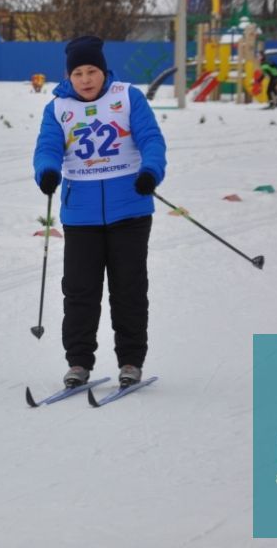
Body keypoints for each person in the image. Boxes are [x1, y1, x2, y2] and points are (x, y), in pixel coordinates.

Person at [33, 36, 167, 389]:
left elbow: (151, 139)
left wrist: (150, 172)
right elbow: (47, 146)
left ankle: (130, 361)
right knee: (79, 291)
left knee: (129, 289)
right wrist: (46, 170)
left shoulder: (127, 97)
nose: (86, 79)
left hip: (131, 210)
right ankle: (78, 362)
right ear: (69, 75)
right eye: (78, 72)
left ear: (103, 71)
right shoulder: (58, 107)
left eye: (92, 71)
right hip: (81, 214)